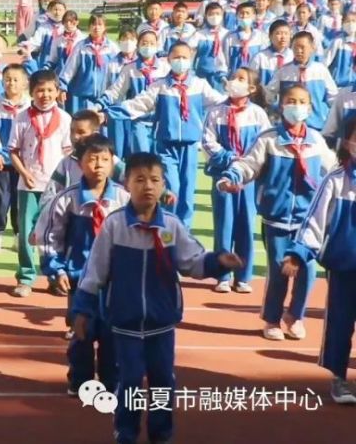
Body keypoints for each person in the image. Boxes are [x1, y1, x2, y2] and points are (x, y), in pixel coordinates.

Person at [73, 152, 243, 444]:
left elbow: (193, 262)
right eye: (139, 179)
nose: (147, 186)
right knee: (129, 383)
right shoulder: (115, 226)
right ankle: (125, 432)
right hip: (124, 323)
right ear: (126, 184)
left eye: (154, 180)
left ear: (164, 185)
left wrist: (218, 261)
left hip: (161, 323)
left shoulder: (172, 226)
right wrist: (83, 310)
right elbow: (94, 272)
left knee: (163, 382)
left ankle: (161, 433)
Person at [218, 85, 337, 340]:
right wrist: (231, 176)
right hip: (276, 218)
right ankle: (272, 318)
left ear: (310, 107)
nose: (297, 106)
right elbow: (247, 164)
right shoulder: (269, 139)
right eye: (291, 101)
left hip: (307, 221)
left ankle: (295, 316)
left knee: (308, 272)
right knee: (278, 270)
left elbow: (334, 170)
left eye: (302, 101)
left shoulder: (316, 141)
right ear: (282, 105)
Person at [34, 133, 128, 392]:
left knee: (113, 334)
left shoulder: (123, 199)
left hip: (115, 281)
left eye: (104, 159)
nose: (98, 165)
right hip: (81, 278)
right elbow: (49, 235)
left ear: (112, 163)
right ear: (80, 163)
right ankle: (81, 380)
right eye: (92, 159)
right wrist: (56, 269)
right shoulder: (67, 198)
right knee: (81, 331)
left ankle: (112, 381)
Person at [100, 42, 226, 228]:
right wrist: (109, 112)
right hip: (166, 146)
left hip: (190, 147)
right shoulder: (160, 86)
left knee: (187, 192)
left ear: (190, 59)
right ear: (168, 59)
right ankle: (166, 228)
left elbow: (220, 102)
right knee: (171, 189)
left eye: (184, 57)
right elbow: (138, 104)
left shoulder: (199, 85)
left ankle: (183, 233)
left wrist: (240, 101)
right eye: (176, 57)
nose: (180, 61)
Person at [286, 114, 356, 404]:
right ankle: (339, 378)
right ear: (347, 141)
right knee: (340, 322)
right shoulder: (336, 181)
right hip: (345, 267)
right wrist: (298, 254)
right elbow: (314, 223)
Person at [202, 68, 270, 294]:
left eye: (241, 79)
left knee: (246, 224)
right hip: (223, 174)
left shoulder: (258, 114)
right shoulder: (216, 112)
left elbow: (265, 142)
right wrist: (230, 158)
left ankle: (243, 275)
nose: (234, 82)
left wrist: (248, 163)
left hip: (248, 178)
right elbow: (208, 141)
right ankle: (222, 273)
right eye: (233, 78)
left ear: (251, 88)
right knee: (224, 224)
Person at [7, 70, 72, 297]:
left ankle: (54, 276)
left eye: (49, 90)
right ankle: (25, 276)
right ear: (31, 92)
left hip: (55, 187)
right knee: (27, 231)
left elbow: (68, 153)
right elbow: (13, 151)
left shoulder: (64, 119)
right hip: (28, 185)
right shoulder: (22, 118)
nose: (45, 95)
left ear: (57, 92)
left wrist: (65, 181)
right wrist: (23, 173)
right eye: (39, 90)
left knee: (52, 233)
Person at [0, 64, 30, 253]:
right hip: (1, 161)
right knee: (0, 197)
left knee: (20, 200)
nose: (11, 83)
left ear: (25, 83)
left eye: (16, 79)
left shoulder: (29, 108)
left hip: (24, 163)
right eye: (8, 79)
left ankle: (18, 235)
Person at [264, 31, 338, 131]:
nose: (299, 51)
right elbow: (270, 93)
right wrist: (276, 110)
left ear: (312, 48)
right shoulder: (284, 71)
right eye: (295, 47)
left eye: (302, 47)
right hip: (289, 125)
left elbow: (332, 97)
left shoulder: (320, 70)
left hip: (317, 124)